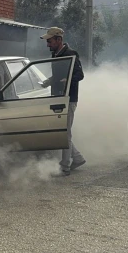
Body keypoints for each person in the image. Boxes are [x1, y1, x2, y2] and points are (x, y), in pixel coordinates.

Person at [39, 27, 86, 176]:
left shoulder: (71, 55)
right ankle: (77, 158)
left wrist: (68, 80)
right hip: (58, 97)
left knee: (65, 133)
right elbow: (58, 75)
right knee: (62, 132)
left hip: (69, 99)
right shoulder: (55, 54)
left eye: (50, 41)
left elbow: (80, 75)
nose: (48, 44)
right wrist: (48, 81)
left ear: (59, 40)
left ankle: (64, 166)